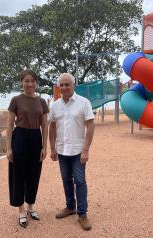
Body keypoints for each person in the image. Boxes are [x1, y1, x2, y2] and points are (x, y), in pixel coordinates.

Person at [49, 73, 95, 231]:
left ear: (73, 85)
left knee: (80, 181)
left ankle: (82, 213)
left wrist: (86, 150)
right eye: (61, 85)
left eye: (67, 84)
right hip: (62, 150)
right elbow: (52, 127)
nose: (64, 87)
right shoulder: (55, 105)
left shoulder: (83, 103)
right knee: (66, 179)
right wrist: (52, 148)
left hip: (78, 151)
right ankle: (70, 207)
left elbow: (90, 126)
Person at [6, 69, 49, 228]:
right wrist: (8, 148)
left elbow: (44, 126)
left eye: (32, 81)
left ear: (36, 83)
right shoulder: (16, 100)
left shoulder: (42, 102)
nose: (30, 84)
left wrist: (45, 146)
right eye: (26, 81)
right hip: (20, 138)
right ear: (21, 82)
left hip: (35, 139)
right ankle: (21, 210)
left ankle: (31, 206)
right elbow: (10, 126)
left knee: (34, 174)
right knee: (18, 175)